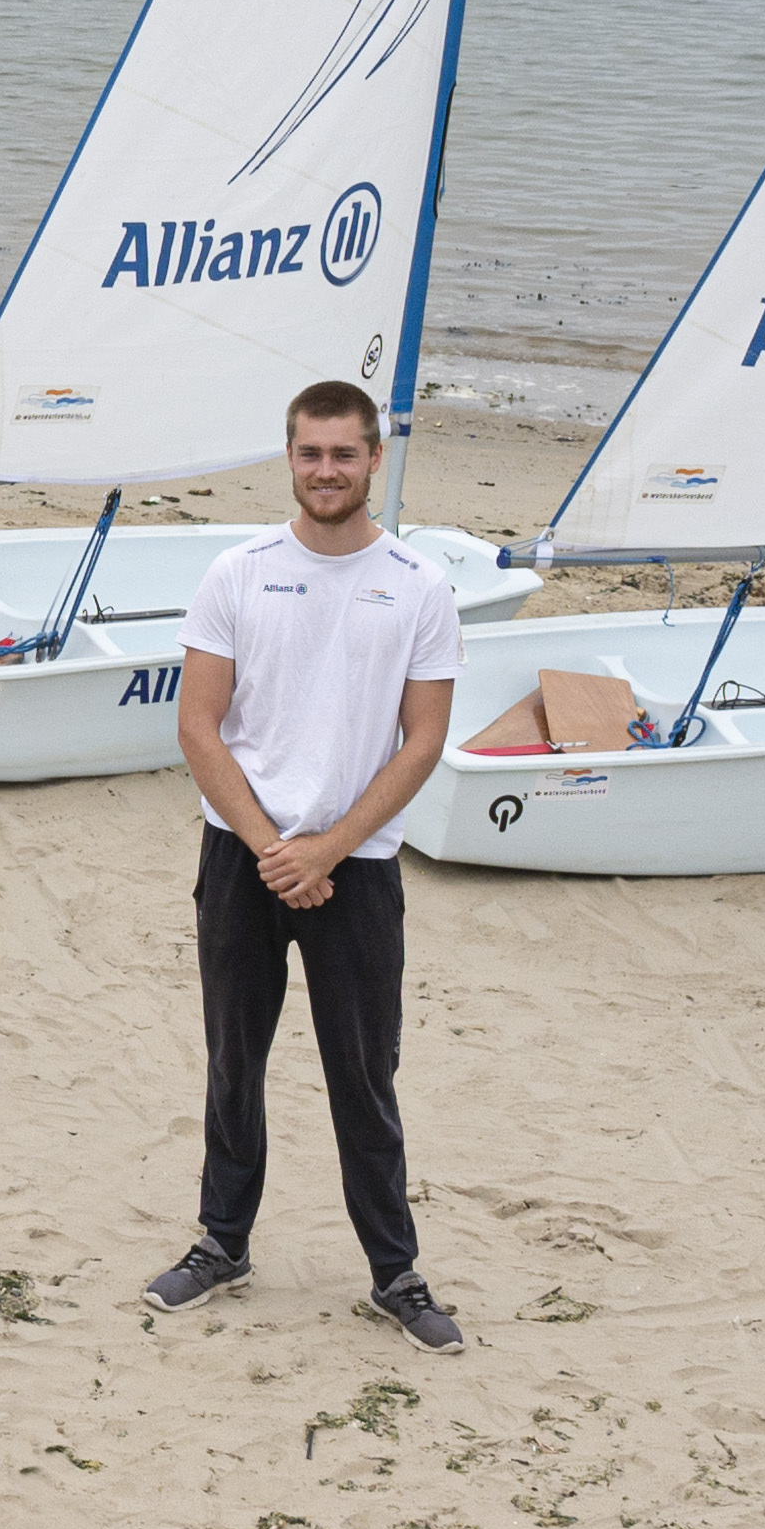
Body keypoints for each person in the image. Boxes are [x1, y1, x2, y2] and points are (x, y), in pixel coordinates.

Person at [144, 380, 467, 1353]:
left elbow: (422, 741)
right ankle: (222, 1241)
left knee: (363, 1073)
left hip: (355, 869)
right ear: (289, 458)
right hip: (244, 857)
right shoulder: (236, 572)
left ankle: (394, 1272)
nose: (326, 470)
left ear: (374, 460)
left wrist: (325, 847)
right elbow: (198, 727)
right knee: (233, 1059)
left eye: (344, 453)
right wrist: (273, 849)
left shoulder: (420, 585)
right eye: (310, 453)